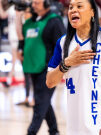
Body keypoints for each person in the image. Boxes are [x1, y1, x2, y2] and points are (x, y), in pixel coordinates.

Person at [46, 0, 101, 135]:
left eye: (79, 6)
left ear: (92, 13)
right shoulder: (62, 43)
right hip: (73, 129)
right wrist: (66, 64)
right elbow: (50, 82)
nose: (73, 10)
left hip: (100, 128)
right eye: (71, 7)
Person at [17, 0, 66, 134]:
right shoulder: (32, 21)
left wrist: (61, 69)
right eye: (33, 3)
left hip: (47, 69)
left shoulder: (54, 21)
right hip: (33, 67)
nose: (33, 5)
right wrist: (17, 15)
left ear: (46, 3)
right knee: (44, 101)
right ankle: (54, 131)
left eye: (37, 3)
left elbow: (62, 45)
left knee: (39, 102)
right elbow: (21, 36)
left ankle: (31, 132)